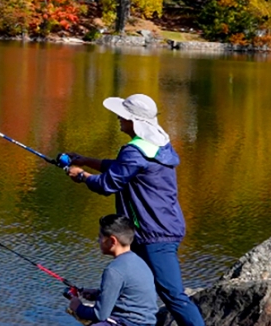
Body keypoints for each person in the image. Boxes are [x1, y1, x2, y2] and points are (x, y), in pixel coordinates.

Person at [64, 94, 206, 326]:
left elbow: (108, 184)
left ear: (135, 121)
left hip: (155, 233)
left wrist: (81, 176)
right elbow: (122, 168)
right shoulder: (156, 145)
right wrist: (87, 160)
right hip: (160, 228)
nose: (119, 118)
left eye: (124, 116)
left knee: (173, 295)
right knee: (135, 283)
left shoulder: (135, 151)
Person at [67, 214, 160, 326]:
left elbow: (100, 314)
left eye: (100, 237)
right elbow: (128, 297)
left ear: (112, 241)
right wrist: (98, 294)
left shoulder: (114, 270)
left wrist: (77, 307)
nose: (98, 241)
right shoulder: (139, 261)